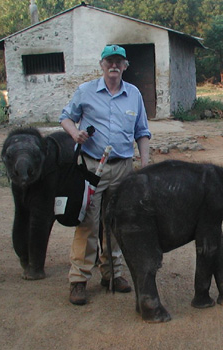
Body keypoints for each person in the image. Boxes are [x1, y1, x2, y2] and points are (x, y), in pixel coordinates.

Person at [60, 44, 151, 306]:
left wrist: (143, 164)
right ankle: (78, 280)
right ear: (101, 64)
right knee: (87, 222)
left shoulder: (133, 94)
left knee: (116, 223)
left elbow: (142, 132)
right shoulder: (86, 91)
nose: (114, 65)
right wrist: (74, 133)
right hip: (92, 168)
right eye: (109, 61)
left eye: (118, 62)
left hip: (122, 168)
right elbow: (66, 117)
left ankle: (113, 274)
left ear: (125, 66)